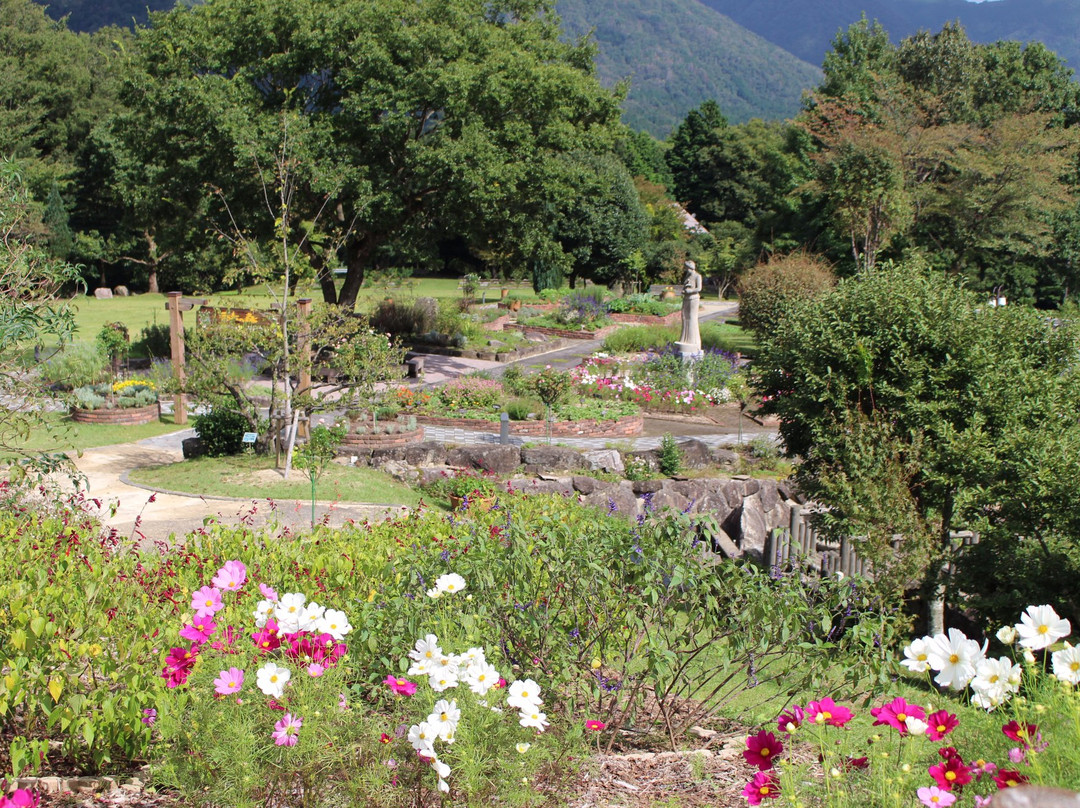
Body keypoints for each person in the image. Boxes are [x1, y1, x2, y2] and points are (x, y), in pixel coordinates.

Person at [679, 260, 702, 351]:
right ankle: (685, 338)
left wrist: (690, 291)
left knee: (692, 317)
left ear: (691, 268)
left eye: (687, 268)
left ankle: (693, 339)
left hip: (693, 298)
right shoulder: (687, 276)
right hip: (686, 298)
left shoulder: (697, 276)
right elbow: (686, 286)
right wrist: (685, 290)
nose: (686, 270)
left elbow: (699, 288)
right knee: (684, 316)